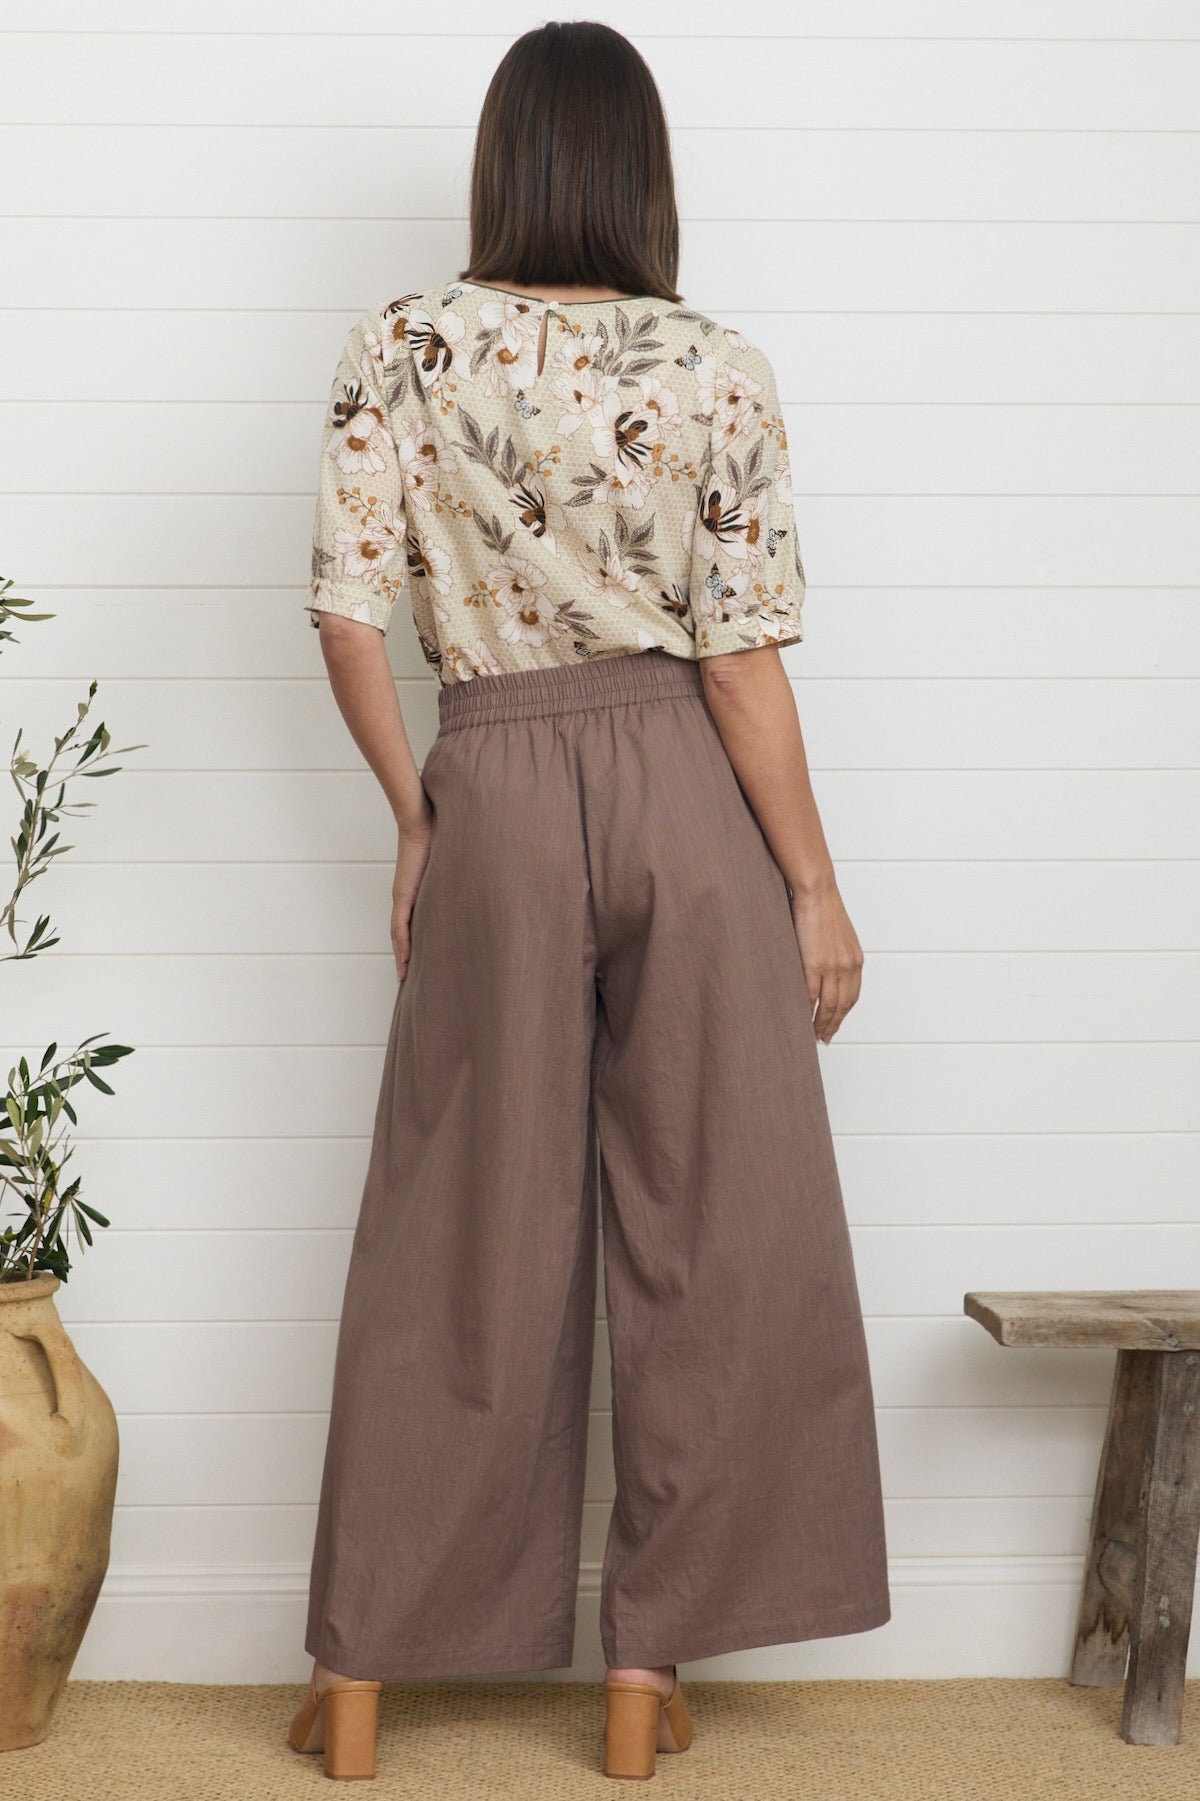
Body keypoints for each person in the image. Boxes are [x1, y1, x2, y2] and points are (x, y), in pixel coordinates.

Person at [286, 18, 890, 1782]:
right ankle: (642, 1682)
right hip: (683, 789)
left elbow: (344, 615)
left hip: (490, 772)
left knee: (454, 1228)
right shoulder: (717, 366)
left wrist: (421, 819)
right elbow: (742, 662)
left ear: (502, 161)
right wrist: (815, 885)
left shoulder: (399, 344)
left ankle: (362, 1680)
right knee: (720, 1219)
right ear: (642, 173)